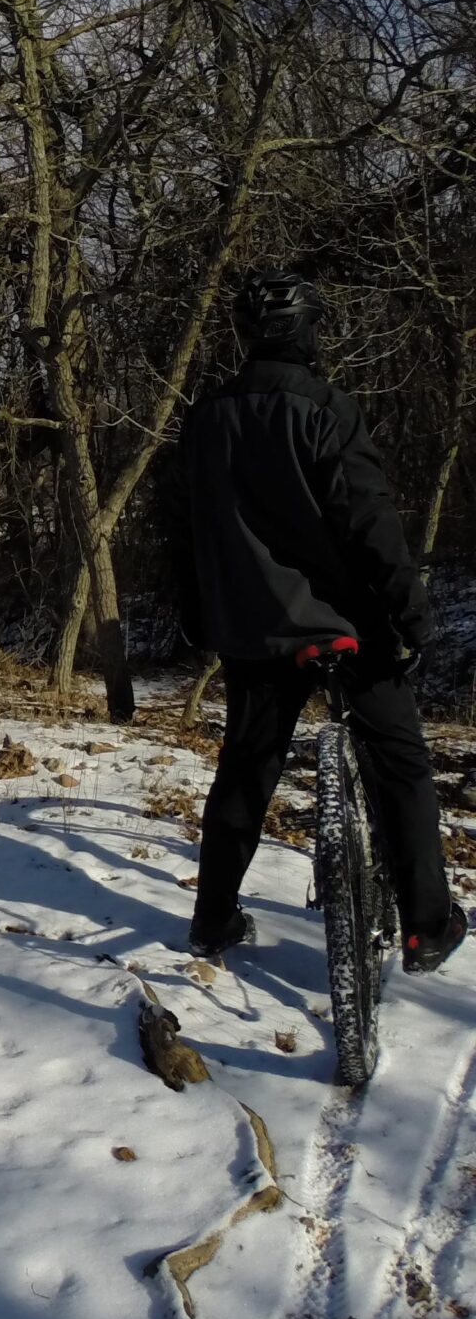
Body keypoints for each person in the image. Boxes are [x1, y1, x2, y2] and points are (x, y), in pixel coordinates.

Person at [181, 268, 464, 972]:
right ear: (308, 332)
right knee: (400, 763)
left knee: (246, 769)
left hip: (252, 626)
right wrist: (410, 612)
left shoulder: (206, 414)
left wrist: (199, 615)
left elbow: (185, 531)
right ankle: (426, 925)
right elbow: (367, 522)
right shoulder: (325, 406)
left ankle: (213, 920)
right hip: (344, 626)